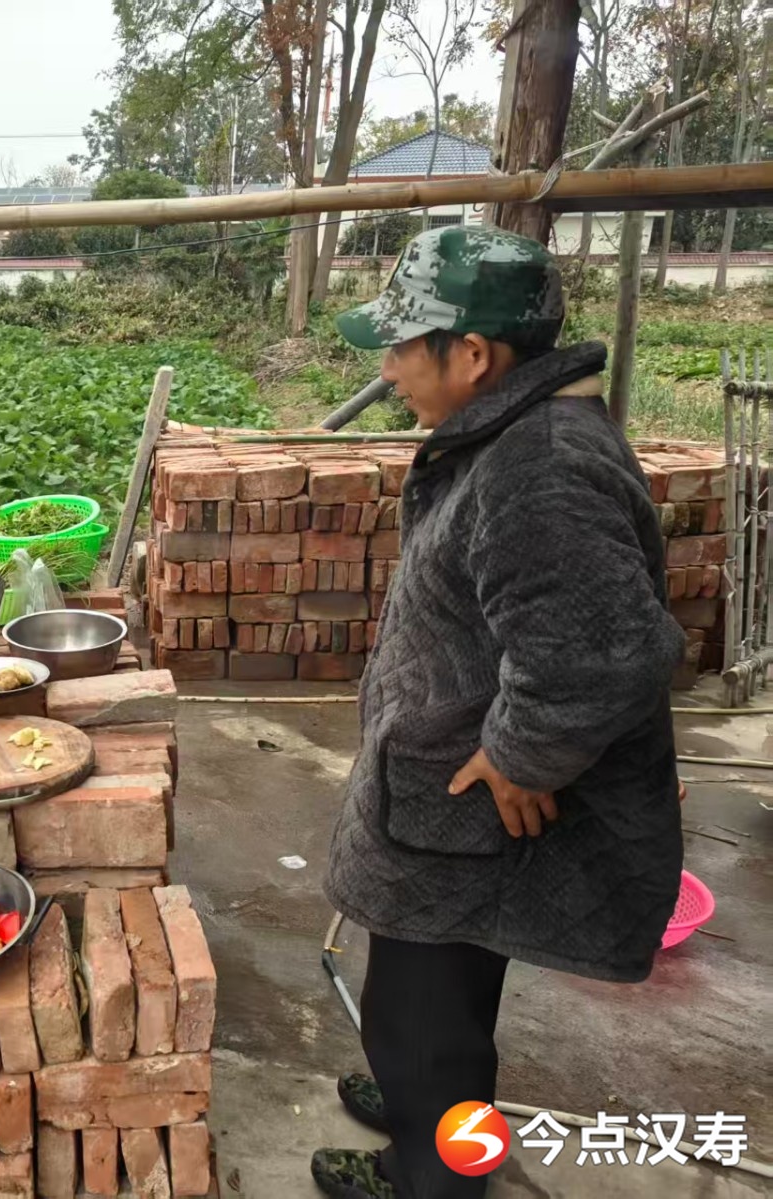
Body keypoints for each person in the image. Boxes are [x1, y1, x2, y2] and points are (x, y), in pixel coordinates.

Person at [309, 227, 685, 1199]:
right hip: (447, 815)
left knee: (423, 1016)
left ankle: (430, 1167)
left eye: (402, 347)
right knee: (438, 998)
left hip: (461, 816)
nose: (388, 370)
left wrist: (523, 753)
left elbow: (606, 651)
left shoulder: (540, 465)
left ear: (472, 353)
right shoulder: (515, 432)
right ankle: (425, 1097)